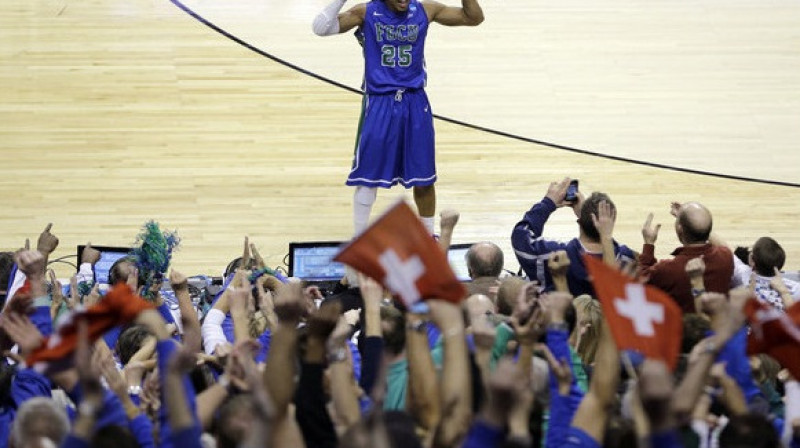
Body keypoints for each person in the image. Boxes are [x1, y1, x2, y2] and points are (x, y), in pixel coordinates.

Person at [312, 0, 484, 236]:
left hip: (415, 101)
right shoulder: (366, 12)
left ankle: (428, 238)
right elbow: (321, 28)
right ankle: (359, 238)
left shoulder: (425, 9)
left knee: (424, 178)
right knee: (367, 177)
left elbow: (473, 17)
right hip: (380, 101)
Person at [511, 178, 635, 296]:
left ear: (580, 222)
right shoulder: (626, 260)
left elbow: (520, 237)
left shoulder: (554, 257)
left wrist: (548, 203)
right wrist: (588, 221)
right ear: (610, 224)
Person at [640, 201, 733, 314]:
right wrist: (690, 220)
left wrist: (648, 244)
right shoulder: (726, 257)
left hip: (685, 329)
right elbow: (720, 243)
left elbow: (641, 282)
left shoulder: (667, 269)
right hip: (721, 326)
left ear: (680, 229)